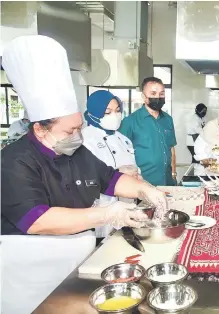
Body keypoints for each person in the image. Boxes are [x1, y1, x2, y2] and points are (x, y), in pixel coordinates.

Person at [1, 35, 168, 314]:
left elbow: (111, 179)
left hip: (75, 262)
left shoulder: (75, 150)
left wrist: (143, 189)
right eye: (69, 131)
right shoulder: (13, 162)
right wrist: (106, 214)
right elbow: (37, 220)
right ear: (40, 129)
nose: (78, 136)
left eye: (79, 127)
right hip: (31, 272)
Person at [82, 90, 141, 240]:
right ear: (94, 113)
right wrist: (117, 172)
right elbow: (83, 177)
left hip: (126, 205)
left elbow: (132, 166)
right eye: (107, 112)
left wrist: (136, 174)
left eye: (117, 110)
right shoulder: (85, 139)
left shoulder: (123, 139)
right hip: (102, 207)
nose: (114, 116)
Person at [119, 77, 177, 186]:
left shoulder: (168, 119)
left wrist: (173, 174)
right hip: (144, 183)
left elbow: (172, 149)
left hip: (168, 182)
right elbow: (121, 153)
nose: (158, 97)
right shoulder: (130, 121)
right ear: (143, 97)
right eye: (153, 93)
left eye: (161, 94)